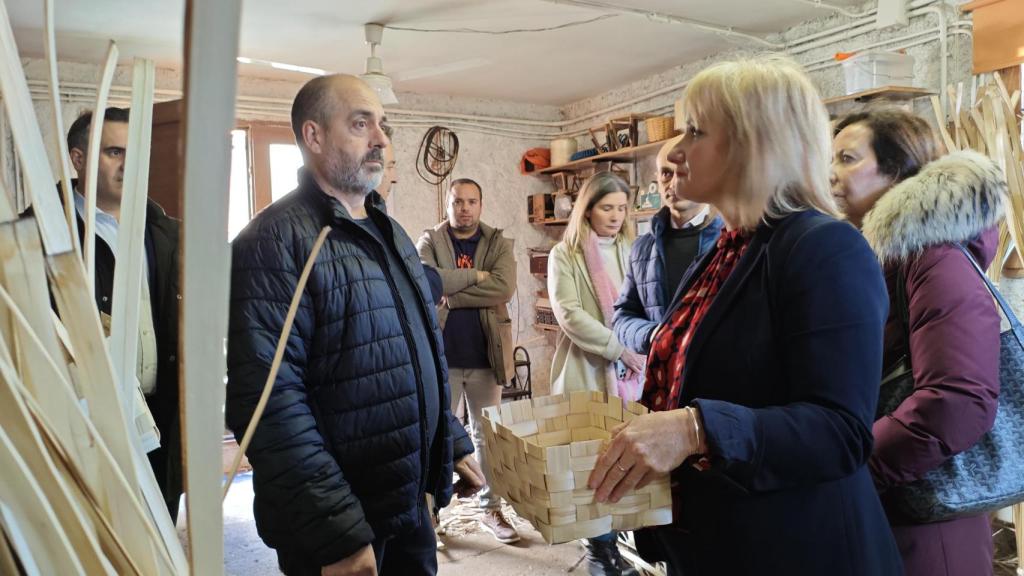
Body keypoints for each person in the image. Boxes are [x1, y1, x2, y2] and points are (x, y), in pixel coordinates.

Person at [586, 56, 903, 576]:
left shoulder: (825, 247)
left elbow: (841, 432)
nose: (677, 152)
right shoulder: (729, 250)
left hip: (798, 550)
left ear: (753, 143)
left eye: (695, 131)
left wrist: (694, 429)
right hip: (723, 543)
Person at [226, 74, 483, 576]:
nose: (381, 139)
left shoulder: (389, 231)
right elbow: (269, 404)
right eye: (361, 124)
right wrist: (336, 532)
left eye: (383, 126)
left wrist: (447, 441)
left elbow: (416, 349)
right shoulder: (272, 243)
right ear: (314, 136)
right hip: (341, 520)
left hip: (406, 498)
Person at [831, 109, 1004, 576]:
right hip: (888, 509)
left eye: (847, 158)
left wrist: (851, 469)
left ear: (897, 171)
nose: (831, 173)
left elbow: (958, 399)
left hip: (927, 524)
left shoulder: (934, 259)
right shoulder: (877, 259)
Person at [64, 107, 183, 522]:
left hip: (162, 420)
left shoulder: (166, 233)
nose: (128, 165)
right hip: (89, 425)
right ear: (78, 159)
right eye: (114, 152)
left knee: (160, 537)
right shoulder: (46, 236)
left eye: (136, 153)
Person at [548, 171, 642, 576]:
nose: (616, 216)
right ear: (587, 210)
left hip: (630, 375)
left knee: (626, 460)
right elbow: (569, 313)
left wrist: (639, 346)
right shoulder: (564, 254)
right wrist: (618, 347)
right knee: (592, 463)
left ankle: (617, 543)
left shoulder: (633, 249)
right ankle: (599, 553)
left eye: (621, 208)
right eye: (607, 208)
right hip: (588, 370)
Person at [416, 178, 519, 544]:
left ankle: (491, 508)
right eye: (458, 201)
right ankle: (429, 513)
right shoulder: (430, 241)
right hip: (440, 359)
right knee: (433, 436)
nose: (464, 208)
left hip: (485, 357)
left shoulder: (497, 243)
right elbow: (428, 282)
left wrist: (454, 295)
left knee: (486, 436)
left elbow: (503, 287)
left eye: (471, 201)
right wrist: (477, 276)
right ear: (448, 204)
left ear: (481, 205)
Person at [613, 135, 722, 356]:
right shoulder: (642, 249)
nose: (674, 183)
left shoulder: (729, 242)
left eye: (685, 172)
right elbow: (623, 316)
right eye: (666, 173)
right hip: (660, 371)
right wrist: (653, 335)